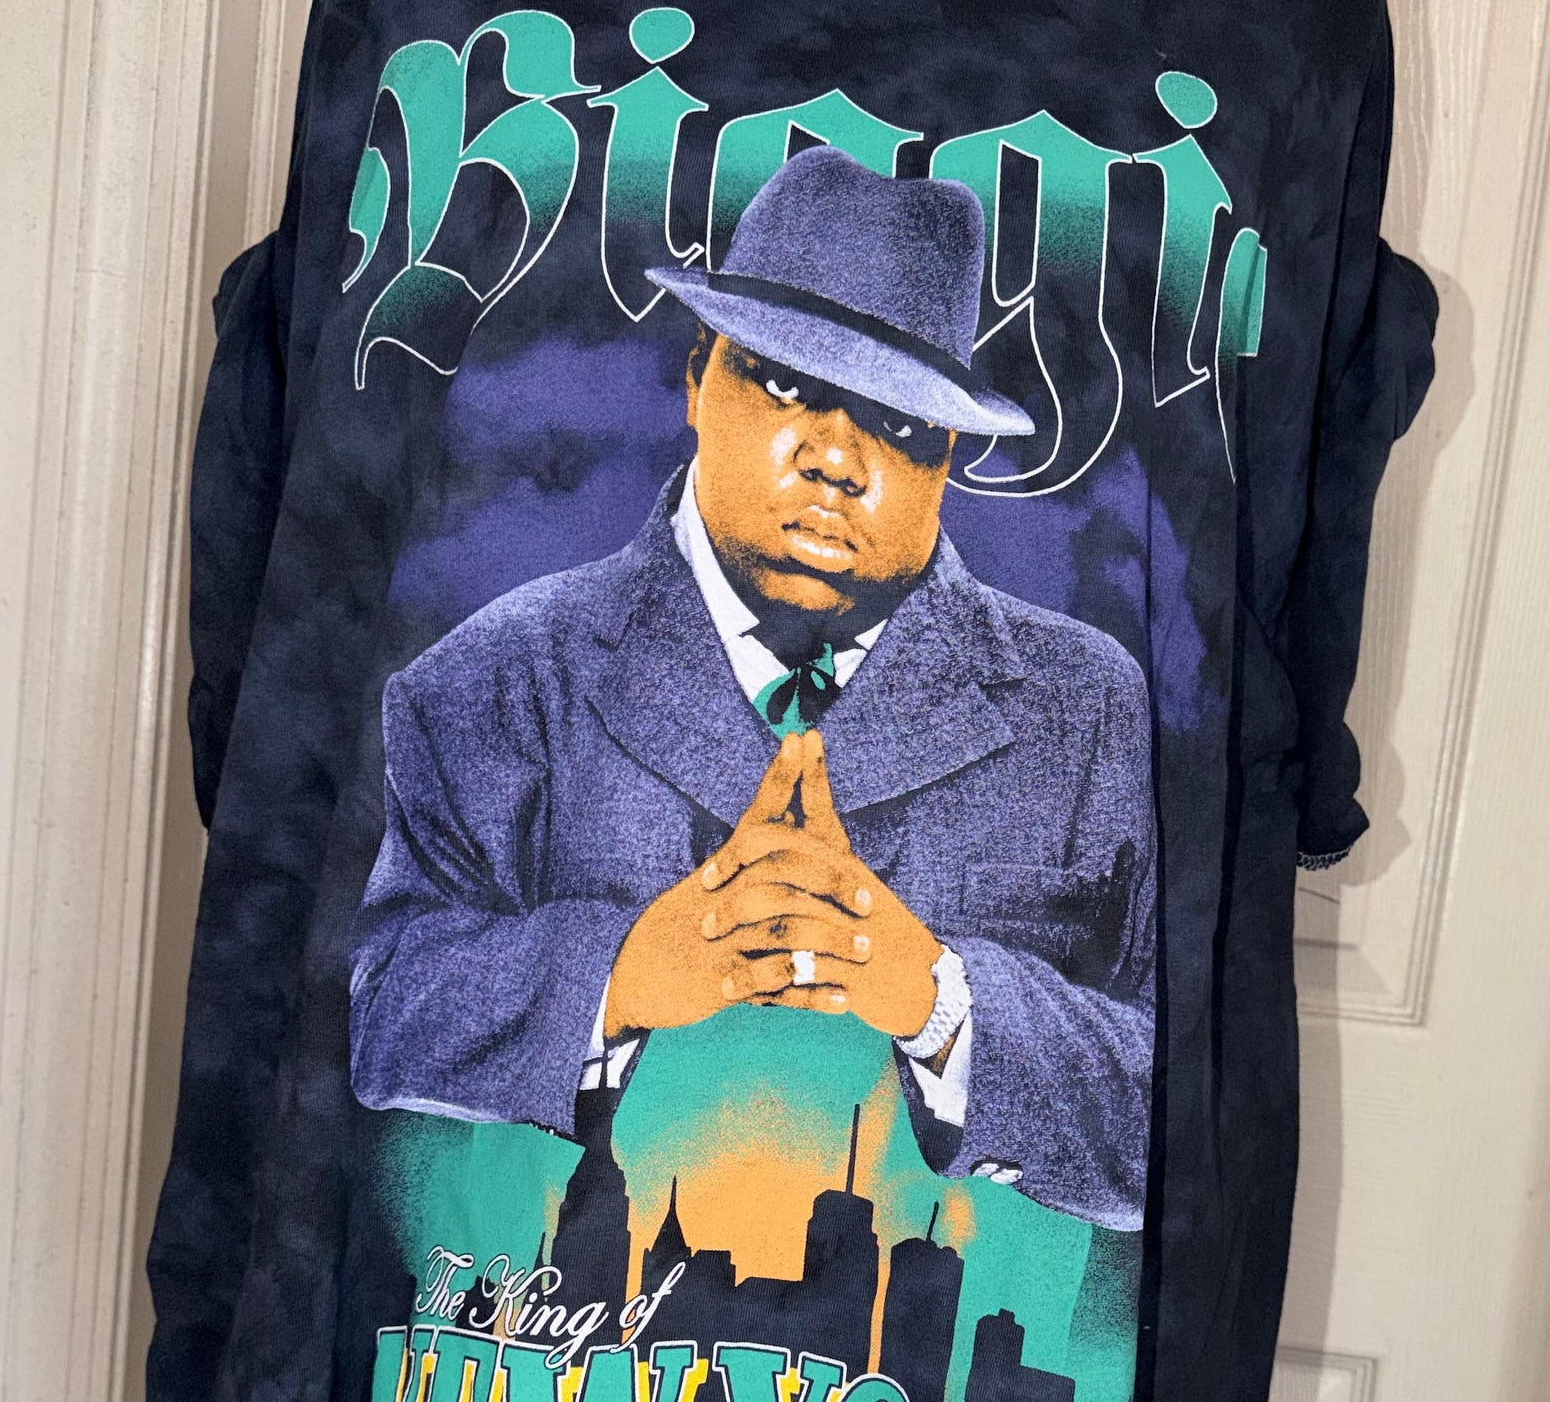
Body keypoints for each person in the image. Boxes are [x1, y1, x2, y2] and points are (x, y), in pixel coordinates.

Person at [349, 146, 1154, 1230]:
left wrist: (938, 1002)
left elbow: (1183, 1103)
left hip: (939, 1323)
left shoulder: (1085, 709)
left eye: (898, 419)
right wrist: (622, 975)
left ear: (949, 453)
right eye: (786, 382)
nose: (836, 458)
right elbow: (377, 1012)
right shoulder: (491, 679)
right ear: (697, 379)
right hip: (568, 1319)